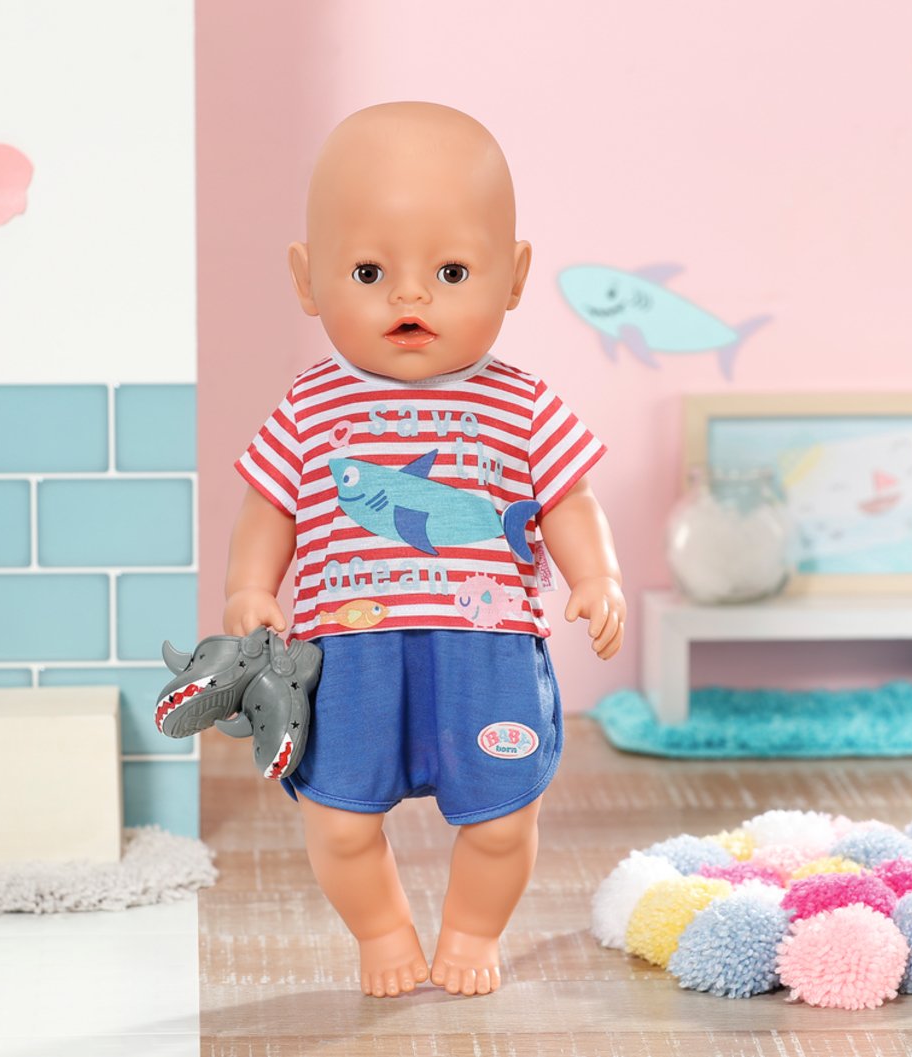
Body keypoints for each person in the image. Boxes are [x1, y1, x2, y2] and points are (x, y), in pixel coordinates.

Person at [226, 101, 626, 998]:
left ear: (514, 276)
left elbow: (568, 496)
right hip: (345, 653)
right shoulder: (309, 405)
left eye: (451, 271)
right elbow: (269, 506)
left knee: (503, 815)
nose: (411, 298)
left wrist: (596, 574)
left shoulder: (521, 402)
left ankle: (473, 928)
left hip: (487, 648)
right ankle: (381, 928)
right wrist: (249, 588)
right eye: (369, 271)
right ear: (306, 279)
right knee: (336, 819)